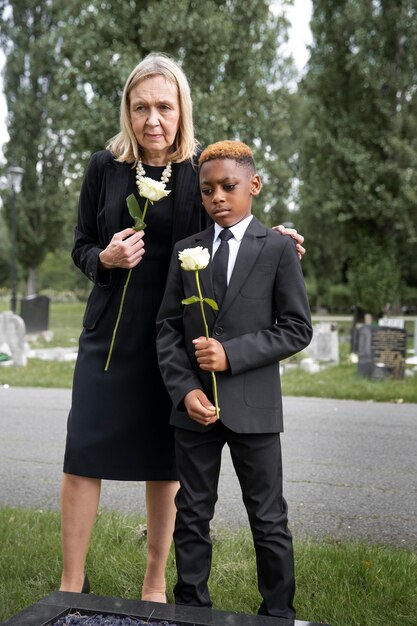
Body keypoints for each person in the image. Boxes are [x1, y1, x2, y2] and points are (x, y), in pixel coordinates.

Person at [60, 53, 306, 602]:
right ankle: (70, 585)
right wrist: (104, 258)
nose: (152, 119)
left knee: (165, 457)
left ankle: (154, 585)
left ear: (181, 110)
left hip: (176, 335)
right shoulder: (105, 166)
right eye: (141, 106)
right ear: (127, 109)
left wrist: (271, 237)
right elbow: (79, 243)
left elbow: (230, 227)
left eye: (164, 107)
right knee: (83, 451)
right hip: (110, 335)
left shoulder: (198, 172)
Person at [156, 140, 312, 618]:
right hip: (196, 411)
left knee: (268, 518)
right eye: (207, 191)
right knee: (192, 515)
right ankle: (192, 609)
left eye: (229, 186)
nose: (218, 197)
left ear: (254, 185)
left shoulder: (279, 249)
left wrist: (231, 355)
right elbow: (167, 329)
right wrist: (186, 391)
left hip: (256, 410)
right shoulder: (187, 251)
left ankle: (278, 613)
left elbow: (296, 328)